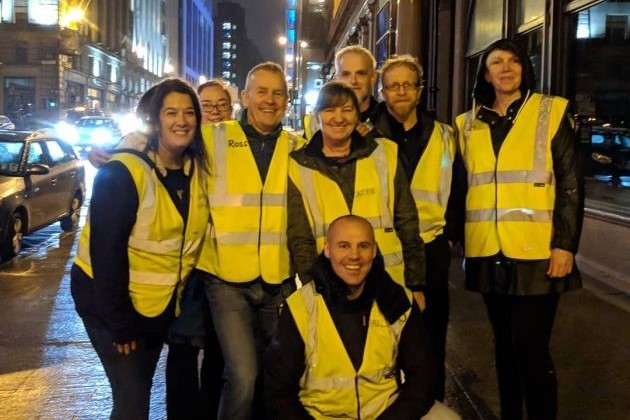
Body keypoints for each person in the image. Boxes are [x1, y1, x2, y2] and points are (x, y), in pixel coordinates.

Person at [454, 38, 584, 420]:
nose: (506, 68)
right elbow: (461, 186)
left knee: (530, 345)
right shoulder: (467, 123)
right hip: (487, 249)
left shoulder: (551, 111)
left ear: (525, 68)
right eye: (497, 62)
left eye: (514, 61)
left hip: (537, 251)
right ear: (485, 72)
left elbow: (572, 183)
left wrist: (565, 244)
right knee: (503, 346)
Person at [70, 77, 210, 419]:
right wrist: (120, 324)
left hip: (154, 306)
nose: (182, 120)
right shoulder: (123, 171)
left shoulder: (196, 169)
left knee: (137, 392)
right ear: (155, 119)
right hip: (109, 307)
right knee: (132, 402)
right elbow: (106, 253)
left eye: (189, 112)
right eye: (171, 112)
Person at [264, 215, 461, 420]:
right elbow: (278, 393)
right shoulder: (300, 307)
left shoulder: (397, 300)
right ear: (327, 249)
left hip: (384, 413)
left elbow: (423, 377)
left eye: (363, 246)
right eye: (344, 246)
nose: (354, 255)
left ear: (374, 251)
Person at [195, 62, 305, 420]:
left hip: (278, 279)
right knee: (242, 376)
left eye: (278, 93)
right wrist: (123, 146)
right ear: (244, 97)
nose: (270, 100)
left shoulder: (297, 147)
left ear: (287, 100)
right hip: (227, 280)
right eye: (262, 91)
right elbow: (163, 138)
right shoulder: (213, 137)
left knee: (278, 375)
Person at [371, 54, 465, 401]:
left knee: (430, 336)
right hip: (383, 248)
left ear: (420, 90)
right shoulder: (366, 135)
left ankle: (430, 404)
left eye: (407, 84)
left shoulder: (444, 135)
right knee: (384, 336)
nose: (400, 92)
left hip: (429, 248)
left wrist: (450, 235)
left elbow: (457, 187)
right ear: (382, 92)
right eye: (392, 85)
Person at [287, 80, 426, 309]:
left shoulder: (384, 154)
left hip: (388, 282)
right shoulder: (298, 165)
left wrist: (416, 283)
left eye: (347, 110)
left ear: (358, 114)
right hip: (329, 285)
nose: (339, 118)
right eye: (330, 110)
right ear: (317, 115)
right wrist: (314, 287)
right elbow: (300, 237)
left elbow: (407, 222)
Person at [165, 78, 232, 420]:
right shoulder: (181, 148)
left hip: (223, 267)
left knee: (219, 353)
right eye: (207, 105)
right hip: (188, 268)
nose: (216, 111)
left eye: (223, 105)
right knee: (183, 350)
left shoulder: (237, 146)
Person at [304, 45, 379, 139]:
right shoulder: (316, 122)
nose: (353, 81)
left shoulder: (388, 119)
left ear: (373, 78)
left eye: (360, 74)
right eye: (346, 74)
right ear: (337, 79)